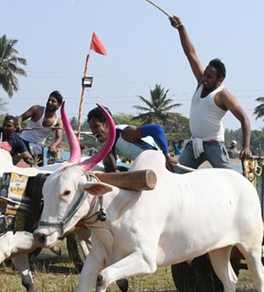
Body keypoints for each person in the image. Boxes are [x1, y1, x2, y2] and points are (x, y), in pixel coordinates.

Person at [170, 15, 252, 169]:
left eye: (209, 77)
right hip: (195, 144)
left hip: (214, 145)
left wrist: (246, 146)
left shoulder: (223, 95)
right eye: (205, 74)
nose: (205, 79)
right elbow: (191, 54)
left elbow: (244, 119)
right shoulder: (201, 82)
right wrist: (181, 28)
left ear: (219, 80)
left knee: (228, 176)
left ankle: (244, 190)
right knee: (177, 170)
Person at [86, 106, 178, 173]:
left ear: (107, 125)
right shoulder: (108, 145)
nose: (94, 132)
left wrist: (166, 155)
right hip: (146, 168)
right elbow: (111, 170)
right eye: (91, 128)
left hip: (163, 167)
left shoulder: (125, 134)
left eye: (96, 127)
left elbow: (156, 129)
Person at [15, 91, 64, 166]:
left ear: (58, 105)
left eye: (53, 101)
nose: (49, 102)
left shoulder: (58, 121)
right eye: (49, 100)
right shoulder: (37, 109)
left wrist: (54, 145)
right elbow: (20, 118)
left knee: (46, 168)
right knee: (11, 161)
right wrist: (19, 125)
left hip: (38, 147)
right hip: (23, 141)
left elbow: (59, 137)